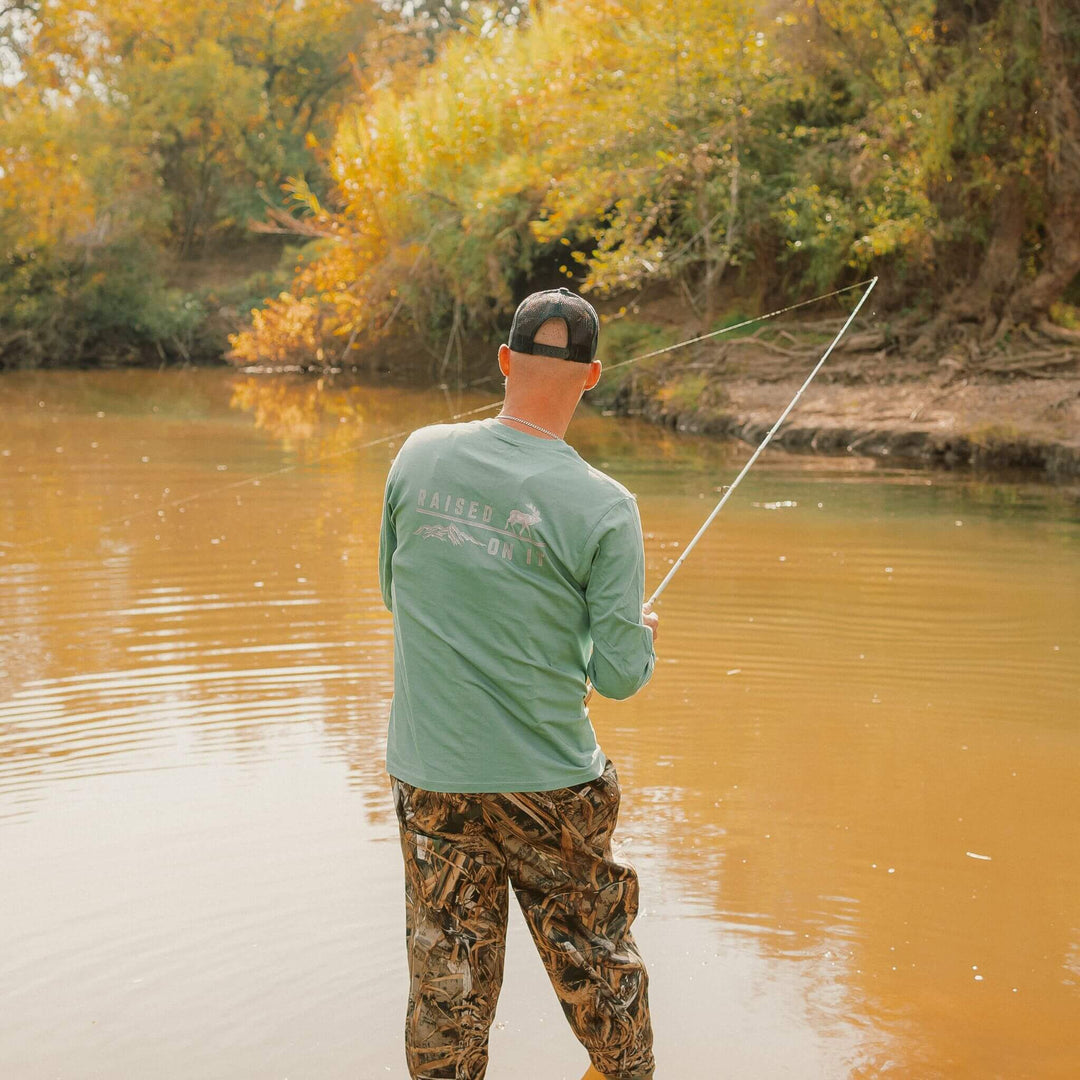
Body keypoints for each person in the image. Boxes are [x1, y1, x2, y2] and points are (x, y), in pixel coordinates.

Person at [378, 287, 658, 1080]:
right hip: (553, 789)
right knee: (602, 972)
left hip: (434, 782)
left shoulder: (418, 454)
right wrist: (642, 636)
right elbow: (619, 676)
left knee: (447, 997)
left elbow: (395, 596)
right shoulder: (607, 507)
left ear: (504, 360)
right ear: (593, 375)